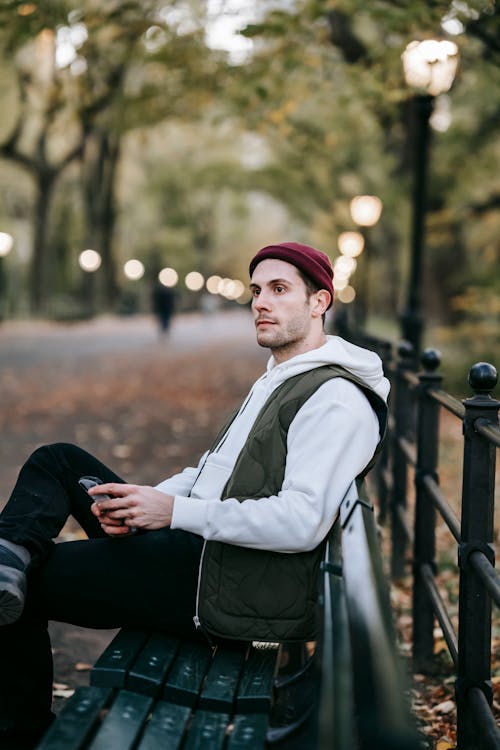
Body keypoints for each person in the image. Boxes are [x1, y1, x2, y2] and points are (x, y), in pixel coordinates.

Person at [0, 242, 389, 749]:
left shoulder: (334, 398)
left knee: (23, 586)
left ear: (319, 302)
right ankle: (7, 555)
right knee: (58, 461)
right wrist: (148, 501)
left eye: (279, 290)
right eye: (255, 291)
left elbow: (301, 522)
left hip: (221, 586)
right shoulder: (282, 376)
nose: (260, 303)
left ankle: (22, 735)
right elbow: (211, 471)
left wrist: (174, 512)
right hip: (203, 554)